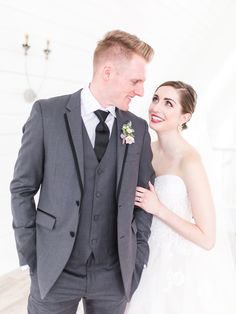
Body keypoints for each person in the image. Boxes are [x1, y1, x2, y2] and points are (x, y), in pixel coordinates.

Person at [10, 30, 155, 314]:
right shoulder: (46, 114)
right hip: (55, 270)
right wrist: (32, 255)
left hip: (114, 275)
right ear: (108, 72)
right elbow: (22, 188)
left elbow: (144, 197)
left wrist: (136, 258)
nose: (140, 91)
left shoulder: (137, 129)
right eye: (135, 81)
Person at [125, 81, 236, 314]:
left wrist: (158, 208)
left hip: (175, 266)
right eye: (155, 99)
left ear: (184, 117)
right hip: (139, 256)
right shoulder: (145, 149)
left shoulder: (190, 161)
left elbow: (207, 238)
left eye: (168, 103)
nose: (157, 108)